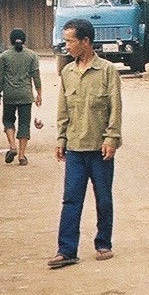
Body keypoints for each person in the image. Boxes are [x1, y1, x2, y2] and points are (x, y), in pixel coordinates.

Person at [49, 18, 122, 270]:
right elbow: (63, 109)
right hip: (75, 149)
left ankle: (103, 243)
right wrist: (61, 138)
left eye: (70, 40)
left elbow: (115, 108)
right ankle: (66, 250)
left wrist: (111, 138)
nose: (66, 45)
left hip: (100, 149)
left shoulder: (108, 71)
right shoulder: (67, 72)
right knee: (71, 199)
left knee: (103, 198)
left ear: (86, 41)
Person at [0, 28, 43, 166]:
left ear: (10, 40)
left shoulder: (5, 56)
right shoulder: (32, 55)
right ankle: (22, 156)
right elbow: (36, 77)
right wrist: (39, 94)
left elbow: (0, 78)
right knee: (24, 124)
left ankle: (12, 146)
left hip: (9, 95)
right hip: (26, 96)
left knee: (8, 120)